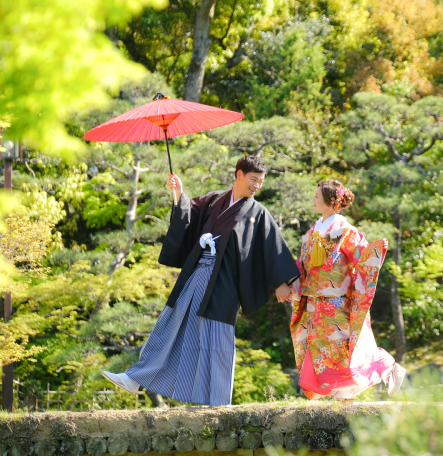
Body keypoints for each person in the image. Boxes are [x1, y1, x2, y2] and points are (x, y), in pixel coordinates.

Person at [102, 155, 298, 406]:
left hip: (225, 284)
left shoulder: (257, 213)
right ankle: (135, 378)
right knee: (171, 325)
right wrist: (179, 194)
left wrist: (281, 282)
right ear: (239, 175)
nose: (257, 185)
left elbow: (271, 248)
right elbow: (189, 215)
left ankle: (218, 402)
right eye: (254, 179)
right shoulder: (215, 200)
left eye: (261, 181)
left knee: (218, 340)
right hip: (198, 273)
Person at [274, 180, 405, 401]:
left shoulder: (346, 232)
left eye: (317, 196)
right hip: (316, 305)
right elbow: (301, 266)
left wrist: (373, 254)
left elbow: (362, 260)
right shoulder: (312, 232)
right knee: (326, 353)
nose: (314, 199)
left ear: (331, 202)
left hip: (338, 303)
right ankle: (343, 398)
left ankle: (387, 366)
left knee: (346, 349)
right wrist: (289, 287)